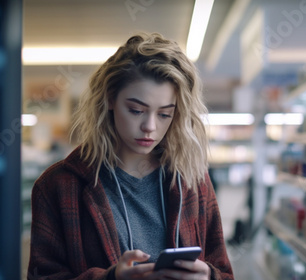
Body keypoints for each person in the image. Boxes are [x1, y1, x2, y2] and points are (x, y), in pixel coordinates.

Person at [28, 32, 234, 280]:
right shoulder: (58, 185)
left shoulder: (192, 179)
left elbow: (224, 271)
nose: (150, 126)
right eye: (136, 110)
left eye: (164, 114)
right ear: (110, 99)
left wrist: (209, 277)